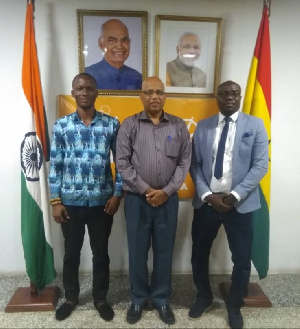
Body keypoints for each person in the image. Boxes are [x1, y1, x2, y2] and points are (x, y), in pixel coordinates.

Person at [189, 80, 269, 329]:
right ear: (217, 97)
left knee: (242, 260)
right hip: (208, 203)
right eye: (224, 94)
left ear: (240, 96)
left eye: (234, 93)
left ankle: (234, 305)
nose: (229, 97)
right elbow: (195, 165)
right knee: (198, 255)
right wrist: (206, 194)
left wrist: (234, 195)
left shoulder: (255, 125)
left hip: (240, 204)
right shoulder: (203, 126)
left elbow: (260, 165)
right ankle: (204, 297)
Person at [116, 76, 191, 325]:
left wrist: (167, 191)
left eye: (159, 92)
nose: (154, 96)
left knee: (164, 252)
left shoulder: (179, 126)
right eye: (149, 92)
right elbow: (123, 163)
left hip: (168, 201)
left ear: (165, 96)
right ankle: (138, 298)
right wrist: (147, 189)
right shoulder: (129, 125)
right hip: (137, 200)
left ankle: (161, 300)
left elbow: (184, 163)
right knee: (137, 252)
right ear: (141, 95)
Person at [49, 73, 123, 321]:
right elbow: (56, 165)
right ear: (73, 93)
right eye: (79, 88)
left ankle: (100, 298)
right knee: (71, 253)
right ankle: (71, 297)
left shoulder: (111, 124)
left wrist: (117, 194)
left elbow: (121, 163)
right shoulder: (62, 125)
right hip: (70, 202)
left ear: (96, 92)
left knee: (100, 253)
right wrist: (55, 200)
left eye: (89, 88)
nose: (84, 92)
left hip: (103, 202)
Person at [85, 19, 142, 90]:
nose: (120, 46)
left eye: (124, 40)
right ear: (101, 44)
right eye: (112, 41)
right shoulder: (88, 75)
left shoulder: (137, 78)